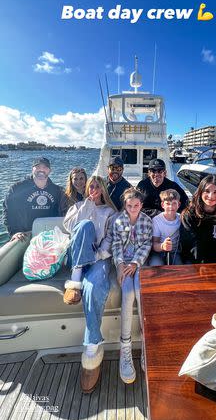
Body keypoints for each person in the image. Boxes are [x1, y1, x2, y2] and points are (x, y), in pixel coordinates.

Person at [63, 175, 117, 393]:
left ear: (103, 189)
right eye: (90, 186)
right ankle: (74, 282)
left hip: (97, 258)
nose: (93, 189)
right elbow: (69, 228)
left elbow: (110, 239)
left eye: (97, 186)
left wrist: (98, 256)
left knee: (94, 288)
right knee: (84, 225)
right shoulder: (78, 206)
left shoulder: (109, 212)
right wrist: (86, 206)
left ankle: (92, 349)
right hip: (76, 257)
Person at [112, 188, 152, 384]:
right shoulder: (118, 220)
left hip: (139, 262)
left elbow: (146, 245)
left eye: (136, 205)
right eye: (129, 206)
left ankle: (146, 345)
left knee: (140, 291)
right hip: (123, 263)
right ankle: (125, 347)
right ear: (125, 205)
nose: (133, 208)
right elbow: (116, 245)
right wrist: (120, 266)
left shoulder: (146, 220)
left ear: (141, 205)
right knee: (127, 293)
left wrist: (135, 263)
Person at [180, 174, 216, 263]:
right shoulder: (189, 215)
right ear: (200, 192)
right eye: (206, 191)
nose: (211, 196)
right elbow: (191, 245)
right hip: (195, 264)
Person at [2, 157, 65, 241]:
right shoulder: (17, 189)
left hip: (49, 235)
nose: (41, 170)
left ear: (50, 170)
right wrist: (14, 232)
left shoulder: (57, 191)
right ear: (32, 169)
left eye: (45, 167)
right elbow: (8, 212)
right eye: (38, 167)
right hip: (25, 236)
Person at [149, 189, 182, 265]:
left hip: (175, 252)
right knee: (155, 266)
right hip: (159, 252)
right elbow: (154, 244)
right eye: (168, 203)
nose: (171, 206)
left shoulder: (181, 218)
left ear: (179, 204)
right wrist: (163, 246)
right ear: (162, 205)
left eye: (174, 203)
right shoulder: (156, 220)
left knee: (180, 269)